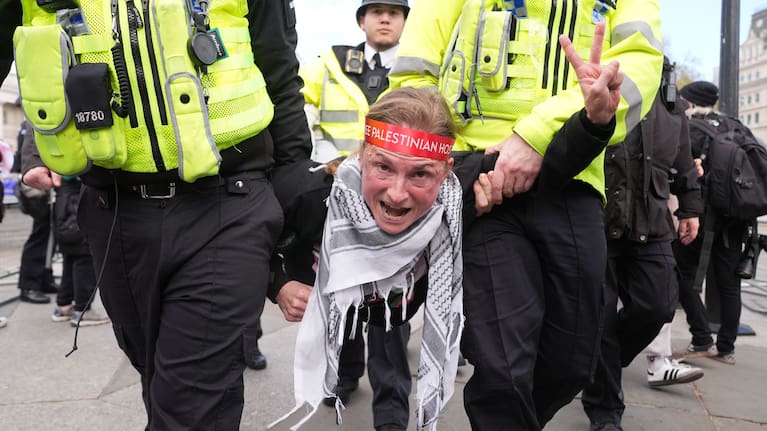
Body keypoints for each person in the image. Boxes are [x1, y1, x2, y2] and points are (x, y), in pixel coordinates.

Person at [18, 1, 312, 430]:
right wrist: (36, 147)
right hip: (113, 208)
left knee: (189, 404)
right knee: (159, 381)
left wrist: (295, 227)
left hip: (227, 198)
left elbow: (281, 74)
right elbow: (35, 59)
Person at [389, 1, 663, 429]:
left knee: (574, 361)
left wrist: (537, 135)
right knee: (502, 369)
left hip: (576, 175)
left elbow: (641, 65)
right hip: (482, 185)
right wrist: (455, 172)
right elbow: (412, 80)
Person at [296, 0, 412, 426]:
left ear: (404, 22)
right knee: (341, 292)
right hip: (338, 200)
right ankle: (345, 375)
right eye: (376, 11)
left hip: (396, 205)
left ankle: (392, 412)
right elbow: (295, 104)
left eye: (394, 12)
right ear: (362, 20)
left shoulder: (419, 69)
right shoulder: (329, 62)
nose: (385, 18)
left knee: (391, 305)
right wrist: (322, 160)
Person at [580, 58, 705, 431]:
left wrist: (691, 208)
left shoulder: (669, 95)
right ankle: (604, 413)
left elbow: (682, 157)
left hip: (651, 218)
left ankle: (601, 359)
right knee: (600, 318)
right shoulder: (596, 69)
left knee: (659, 304)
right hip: (598, 216)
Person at [674, 80, 753, 365]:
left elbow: (681, 170)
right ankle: (727, 347)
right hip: (736, 219)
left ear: (690, 102)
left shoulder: (692, 129)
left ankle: (702, 338)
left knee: (681, 273)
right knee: (730, 284)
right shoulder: (736, 127)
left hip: (703, 216)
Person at [50, 175, 110, 327]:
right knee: (85, 260)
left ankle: (63, 305)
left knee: (69, 260)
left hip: (64, 202)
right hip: (77, 201)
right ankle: (82, 310)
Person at [14, 121, 57, 305]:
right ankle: (29, 284)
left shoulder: (27, 123)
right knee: (41, 235)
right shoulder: (31, 122)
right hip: (39, 189)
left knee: (49, 235)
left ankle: (43, 277)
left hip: (42, 188)